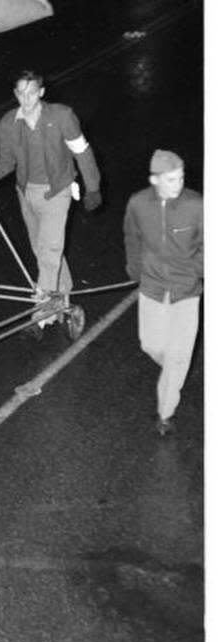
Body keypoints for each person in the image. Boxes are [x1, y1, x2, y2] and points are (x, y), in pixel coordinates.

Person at [0, 70, 102, 333]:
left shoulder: (61, 116)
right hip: (26, 193)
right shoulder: (8, 122)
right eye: (21, 93)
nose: (26, 98)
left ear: (41, 92)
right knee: (43, 250)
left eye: (31, 92)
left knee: (49, 252)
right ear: (15, 94)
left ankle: (41, 315)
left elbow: (82, 151)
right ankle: (64, 298)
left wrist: (93, 187)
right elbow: (4, 162)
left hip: (57, 191)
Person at [123, 150, 204, 436]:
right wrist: (135, 268)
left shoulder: (196, 205)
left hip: (186, 290)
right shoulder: (138, 204)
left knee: (179, 356)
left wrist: (195, 269)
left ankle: (165, 412)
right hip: (152, 288)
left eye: (181, 178)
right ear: (154, 180)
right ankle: (175, 369)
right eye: (171, 180)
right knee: (151, 345)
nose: (178, 184)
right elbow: (131, 237)